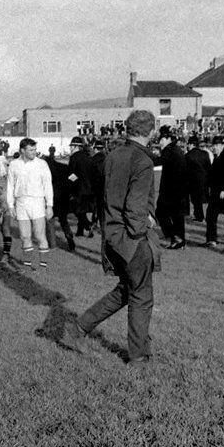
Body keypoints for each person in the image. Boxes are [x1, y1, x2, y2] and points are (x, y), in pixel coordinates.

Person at [64, 110, 161, 365]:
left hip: (112, 235)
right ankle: (139, 356)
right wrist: (144, 228)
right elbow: (135, 207)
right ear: (151, 131)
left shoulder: (111, 155)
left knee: (127, 291)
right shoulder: (143, 161)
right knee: (141, 295)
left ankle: (77, 329)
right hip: (132, 237)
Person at [6, 138, 54, 269]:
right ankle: (28, 266)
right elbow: (10, 186)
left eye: (35, 149)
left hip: (37, 201)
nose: (34, 152)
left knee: (39, 235)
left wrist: (49, 205)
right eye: (31, 150)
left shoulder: (42, 164)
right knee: (24, 236)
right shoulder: (14, 164)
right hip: (21, 203)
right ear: (22, 150)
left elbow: (48, 185)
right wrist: (10, 205)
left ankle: (43, 267)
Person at [156, 126, 188, 249]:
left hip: (172, 189)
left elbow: (158, 161)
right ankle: (178, 239)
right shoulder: (175, 149)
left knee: (162, 213)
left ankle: (175, 237)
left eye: (162, 139)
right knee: (176, 216)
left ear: (169, 139)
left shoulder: (169, 151)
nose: (160, 142)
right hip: (178, 189)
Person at [68, 136, 95, 237]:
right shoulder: (88, 157)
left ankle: (88, 225)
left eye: (72, 146)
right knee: (83, 210)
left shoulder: (74, 157)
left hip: (79, 189)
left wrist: (72, 185)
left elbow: (71, 175)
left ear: (76, 147)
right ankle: (80, 231)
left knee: (77, 210)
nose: (70, 148)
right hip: (90, 189)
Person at [186, 137, 211, 222]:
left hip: (193, 181)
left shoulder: (188, 155)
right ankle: (204, 216)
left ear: (192, 144)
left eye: (189, 144)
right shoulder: (205, 154)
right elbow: (208, 166)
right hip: (205, 180)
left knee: (196, 200)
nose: (188, 146)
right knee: (205, 200)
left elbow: (186, 170)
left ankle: (199, 217)